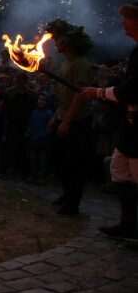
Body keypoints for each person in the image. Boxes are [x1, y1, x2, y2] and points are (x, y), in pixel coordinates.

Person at [79, 3, 138, 240]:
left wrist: (100, 93)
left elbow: (134, 89)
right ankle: (128, 224)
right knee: (119, 170)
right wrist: (111, 101)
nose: (123, 23)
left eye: (128, 19)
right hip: (130, 128)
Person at [45, 18, 94, 216]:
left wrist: (66, 121)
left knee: (75, 163)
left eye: (59, 41)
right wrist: (56, 116)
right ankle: (66, 194)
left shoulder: (80, 64)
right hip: (64, 116)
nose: (56, 44)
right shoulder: (67, 63)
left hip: (78, 121)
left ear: (68, 44)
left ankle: (73, 204)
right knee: (59, 159)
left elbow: (79, 95)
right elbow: (63, 94)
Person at [25, 93, 54, 184]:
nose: (40, 101)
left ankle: (42, 177)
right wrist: (28, 130)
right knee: (33, 159)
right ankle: (32, 175)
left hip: (43, 141)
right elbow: (31, 123)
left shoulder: (49, 114)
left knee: (42, 160)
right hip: (33, 139)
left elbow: (49, 128)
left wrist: (41, 135)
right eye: (39, 99)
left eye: (43, 99)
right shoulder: (34, 112)